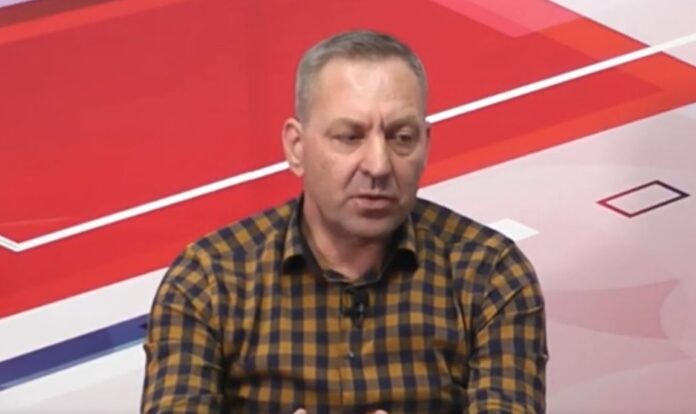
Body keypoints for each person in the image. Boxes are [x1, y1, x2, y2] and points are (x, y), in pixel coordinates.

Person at [141, 30, 548, 414]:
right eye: (349, 137)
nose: (378, 165)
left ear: (426, 145)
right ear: (296, 147)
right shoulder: (210, 280)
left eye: (401, 137)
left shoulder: (489, 273)